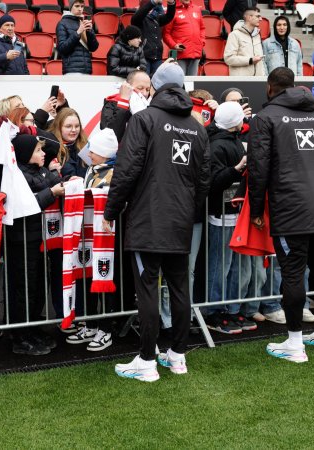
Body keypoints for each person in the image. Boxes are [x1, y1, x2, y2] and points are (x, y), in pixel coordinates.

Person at [107, 62, 209, 381]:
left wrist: (112, 210)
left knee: (148, 287)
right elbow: (203, 180)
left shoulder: (144, 119)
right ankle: (177, 355)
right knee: (179, 287)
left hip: (148, 218)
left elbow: (126, 171)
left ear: (154, 87)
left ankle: (147, 360)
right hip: (180, 219)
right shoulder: (197, 127)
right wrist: (189, 209)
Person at [247, 67, 314, 364]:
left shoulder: (265, 117)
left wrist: (258, 207)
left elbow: (258, 166)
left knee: (292, 272)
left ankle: (295, 343)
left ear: (270, 87)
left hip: (291, 206)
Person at [6, 134, 65, 355]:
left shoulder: (38, 170)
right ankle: (20, 337)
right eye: (38, 151)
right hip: (21, 239)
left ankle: (31, 329)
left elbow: (53, 180)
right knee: (24, 288)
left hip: (37, 238)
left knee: (37, 286)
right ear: (26, 154)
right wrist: (51, 192)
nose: (43, 153)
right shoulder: (17, 174)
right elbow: (27, 204)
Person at [204, 101, 260, 334]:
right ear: (234, 122)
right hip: (222, 215)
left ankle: (231, 309)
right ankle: (215, 312)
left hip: (238, 214)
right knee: (220, 267)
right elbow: (212, 183)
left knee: (239, 267)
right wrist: (236, 169)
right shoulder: (217, 146)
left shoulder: (233, 141)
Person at [65, 128, 119, 351]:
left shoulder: (113, 172)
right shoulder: (91, 170)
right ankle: (91, 324)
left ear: (104, 152)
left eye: (93, 150)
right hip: (88, 238)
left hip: (107, 240)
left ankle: (105, 330)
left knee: (103, 279)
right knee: (88, 280)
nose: (88, 153)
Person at [100, 69, 152, 141]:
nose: (145, 93)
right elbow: (111, 136)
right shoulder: (111, 103)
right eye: (140, 88)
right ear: (127, 86)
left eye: (147, 89)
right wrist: (123, 103)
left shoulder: (150, 105)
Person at [131, 0, 175, 76]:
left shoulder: (156, 19)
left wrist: (171, 3)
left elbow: (169, 16)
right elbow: (141, 13)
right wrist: (153, 2)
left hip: (157, 56)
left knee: (157, 82)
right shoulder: (137, 19)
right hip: (143, 57)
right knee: (144, 81)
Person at [162, 0, 205, 76]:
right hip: (180, 54)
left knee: (192, 82)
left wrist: (201, 42)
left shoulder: (196, 9)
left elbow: (202, 28)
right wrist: (174, 45)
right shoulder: (172, 10)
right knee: (180, 81)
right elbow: (166, 34)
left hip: (196, 52)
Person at [56, 0, 99, 75]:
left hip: (87, 69)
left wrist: (90, 32)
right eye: (77, 6)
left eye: (82, 6)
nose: (80, 9)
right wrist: (78, 32)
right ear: (70, 7)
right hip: (71, 70)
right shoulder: (62, 23)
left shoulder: (84, 21)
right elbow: (62, 48)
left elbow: (94, 48)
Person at [224, 8, 267, 77]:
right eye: (257, 16)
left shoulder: (257, 35)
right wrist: (250, 60)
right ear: (249, 17)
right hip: (241, 81)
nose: (261, 19)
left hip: (257, 81)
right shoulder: (234, 34)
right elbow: (228, 59)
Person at [50, 108, 88, 178]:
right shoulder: (52, 149)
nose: (74, 130)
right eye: (68, 126)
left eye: (77, 126)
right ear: (59, 127)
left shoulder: (85, 145)